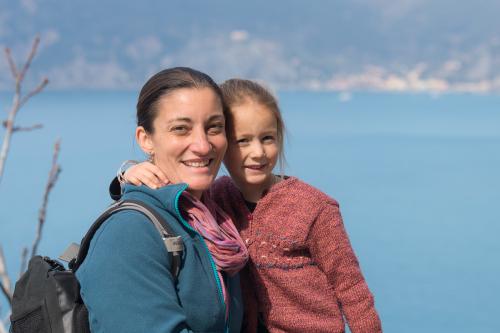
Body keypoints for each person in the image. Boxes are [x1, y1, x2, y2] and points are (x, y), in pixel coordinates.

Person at [119, 79, 382, 333]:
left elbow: (352, 290)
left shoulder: (315, 208)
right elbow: (169, 191)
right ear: (219, 144)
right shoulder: (213, 197)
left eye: (267, 138)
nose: (258, 152)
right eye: (242, 141)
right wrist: (130, 173)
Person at [76, 68, 248, 333]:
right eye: (181, 129)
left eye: (214, 127)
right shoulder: (128, 234)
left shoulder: (215, 223)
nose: (202, 145)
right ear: (146, 139)